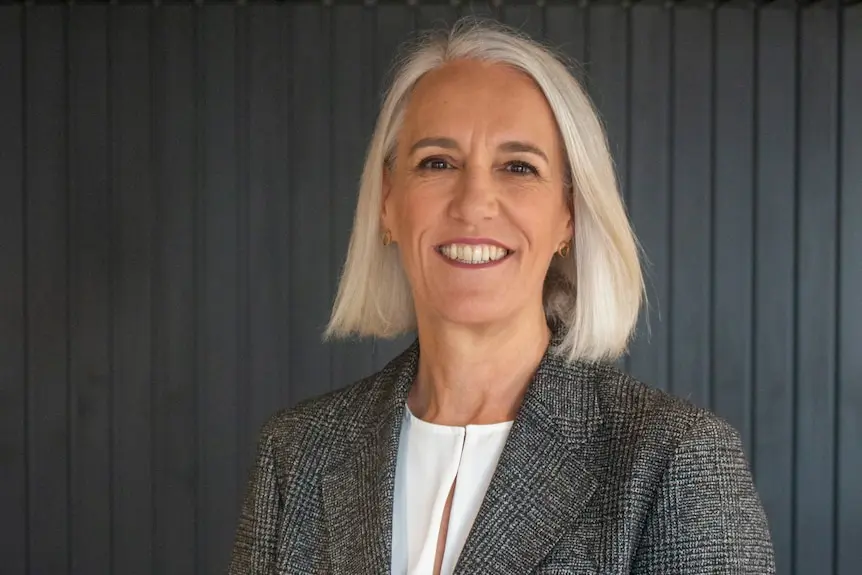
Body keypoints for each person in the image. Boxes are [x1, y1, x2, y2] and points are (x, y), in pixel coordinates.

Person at [229, 18, 775, 575]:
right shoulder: (296, 455)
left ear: (569, 214)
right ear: (388, 202)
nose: (474, 203)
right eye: (437, 163)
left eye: (519, 167)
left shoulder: (674, 460)